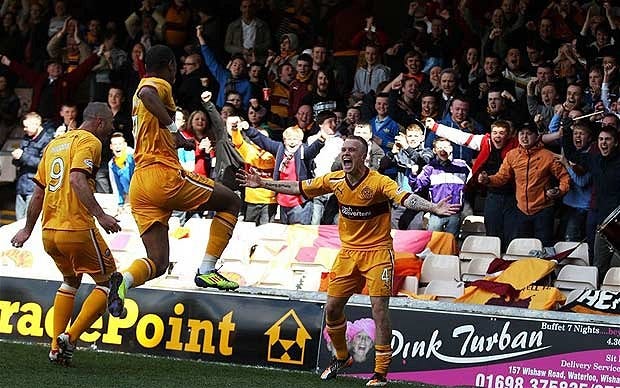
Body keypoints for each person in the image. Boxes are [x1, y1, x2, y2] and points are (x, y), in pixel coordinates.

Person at [237, 135, 460, 386]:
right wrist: (263, 183)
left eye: (352, 149)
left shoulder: (378, 182)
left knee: (379, 310)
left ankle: (380, 373)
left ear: (362, 156)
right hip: (348, 253)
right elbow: (298, 187)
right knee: (332, 309)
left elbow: (405, 198)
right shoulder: (334, 180)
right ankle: (342, 357)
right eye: (343, 149)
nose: (346, 153)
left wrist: (433, 207)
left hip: (378, 253)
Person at [107, 45, 242, 319]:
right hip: (163, 175)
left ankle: (124, 280)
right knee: (231, 201)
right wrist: (174, 131)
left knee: (158, 262)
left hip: (141, 184)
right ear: (170, 65)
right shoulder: (156, 84)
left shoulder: (139, 90)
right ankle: (207, 270)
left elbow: (143, 96)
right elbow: (148, 94)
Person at [10, 102, 122, 365]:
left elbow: (38, 192)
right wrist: (101, 215)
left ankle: (54, 347)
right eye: (109, 126)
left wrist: (27, 229)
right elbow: (76, 179)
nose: (109, 133)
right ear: (98, 122)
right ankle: (70, 338)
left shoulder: (54, 144)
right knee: (109, 282)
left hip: (50, 233)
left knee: (71, 281)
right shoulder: (89, 141)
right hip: (77, 228)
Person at [479, 122, 570, 246]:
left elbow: (564, 177)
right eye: (522, 133)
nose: (525, 137)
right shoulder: (512, 155)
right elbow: (502, 177)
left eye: (529, 134)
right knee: (522, 249)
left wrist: (559, 191)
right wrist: (488, 180)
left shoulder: (547, 156)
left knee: (544, 249)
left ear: (537, 136)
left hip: (543, 209)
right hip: (521, 210)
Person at [12, 112, 53, 220]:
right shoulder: (26, 138)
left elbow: (44, 164)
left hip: (35, 187)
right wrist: (17, 158)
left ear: (36, 124)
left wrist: (23, 156)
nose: (24, 129)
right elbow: (20, 160)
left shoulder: (47, 140)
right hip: (22, 185)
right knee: (18, 221)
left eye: (26, 126)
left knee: (29, 221)